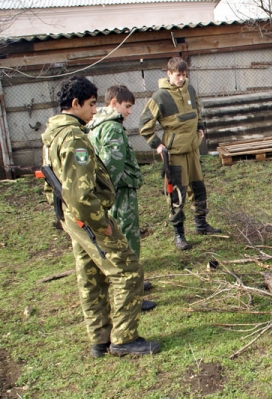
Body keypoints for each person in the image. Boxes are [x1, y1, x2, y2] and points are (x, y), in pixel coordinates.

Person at [41, 76, 160, 357]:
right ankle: (124, 339)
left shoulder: (52, 135)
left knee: (91, 276)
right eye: (91, 104)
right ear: (75, 104)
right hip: (87, 218)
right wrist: (101, 224)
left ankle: (100, 339)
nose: (95, 110)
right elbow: (81, 194)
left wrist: (66, 218)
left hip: (72, 218)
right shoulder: (73, 138)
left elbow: (50, 184)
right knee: (128, 271)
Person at [139, 57, 221, 251]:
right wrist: (157, 145)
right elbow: (144, 124)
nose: (181, 79)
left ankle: (201, 224)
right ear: (168, 74)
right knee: (177, 194)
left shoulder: (190, 90)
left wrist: (200, 127)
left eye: (184, 75)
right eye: (178, 75)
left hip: (193, 150)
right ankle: (179, 234)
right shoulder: (160, 97)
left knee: (199, 188)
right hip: (175, 153)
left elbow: (197, 111)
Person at [88, 85, 156, 312]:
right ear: (114, 102)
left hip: (113, 193)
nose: (128, 112)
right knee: (127, 239)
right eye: (127, 107)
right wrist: (111, 194)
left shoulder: (94, 125)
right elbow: (112, 165)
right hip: (120, 192)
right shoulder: (112, 128)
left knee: (118, 239)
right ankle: (132, 292)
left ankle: (130, 285)